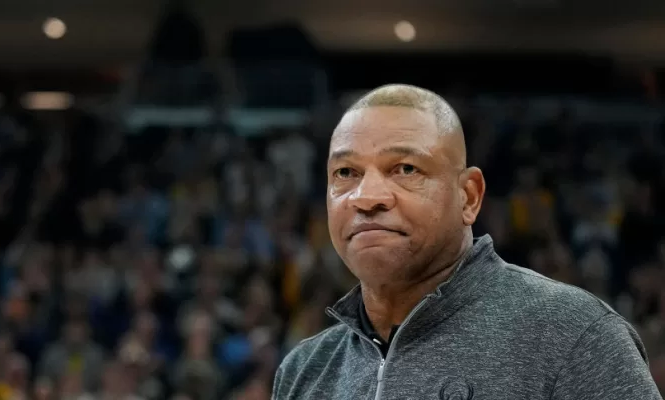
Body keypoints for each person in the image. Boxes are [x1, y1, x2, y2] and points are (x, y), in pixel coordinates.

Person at [271, 84, 662, 399]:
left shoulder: (575, 336)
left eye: (405, 168)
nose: (366, 196)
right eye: (345, 172)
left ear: (469, 196)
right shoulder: (305, 369)